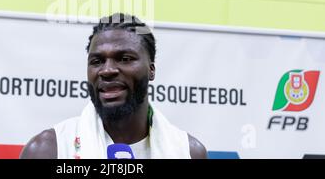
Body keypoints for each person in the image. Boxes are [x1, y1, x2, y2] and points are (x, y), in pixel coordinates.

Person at [21, 13, 207, 159]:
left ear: (151, 70)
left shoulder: (188, 152)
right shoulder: (49, 150)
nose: (107, 70)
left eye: (125, 59)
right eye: (97, 61)